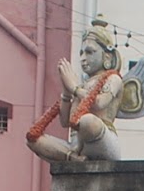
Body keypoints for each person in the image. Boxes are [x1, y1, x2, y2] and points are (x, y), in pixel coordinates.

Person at [26, 18, 124, 162]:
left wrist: (74, 88)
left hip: (100, 140)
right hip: (76, 144)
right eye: (81, 53)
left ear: (107, 56)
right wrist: (66, 92)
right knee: (33, 140)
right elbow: (65, 122)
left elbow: (99, 103)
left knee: (88, 122)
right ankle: (73, 158)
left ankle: (76, 155)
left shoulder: (113, 78)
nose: (83, 58)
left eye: (90, 52)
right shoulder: (83, 84)